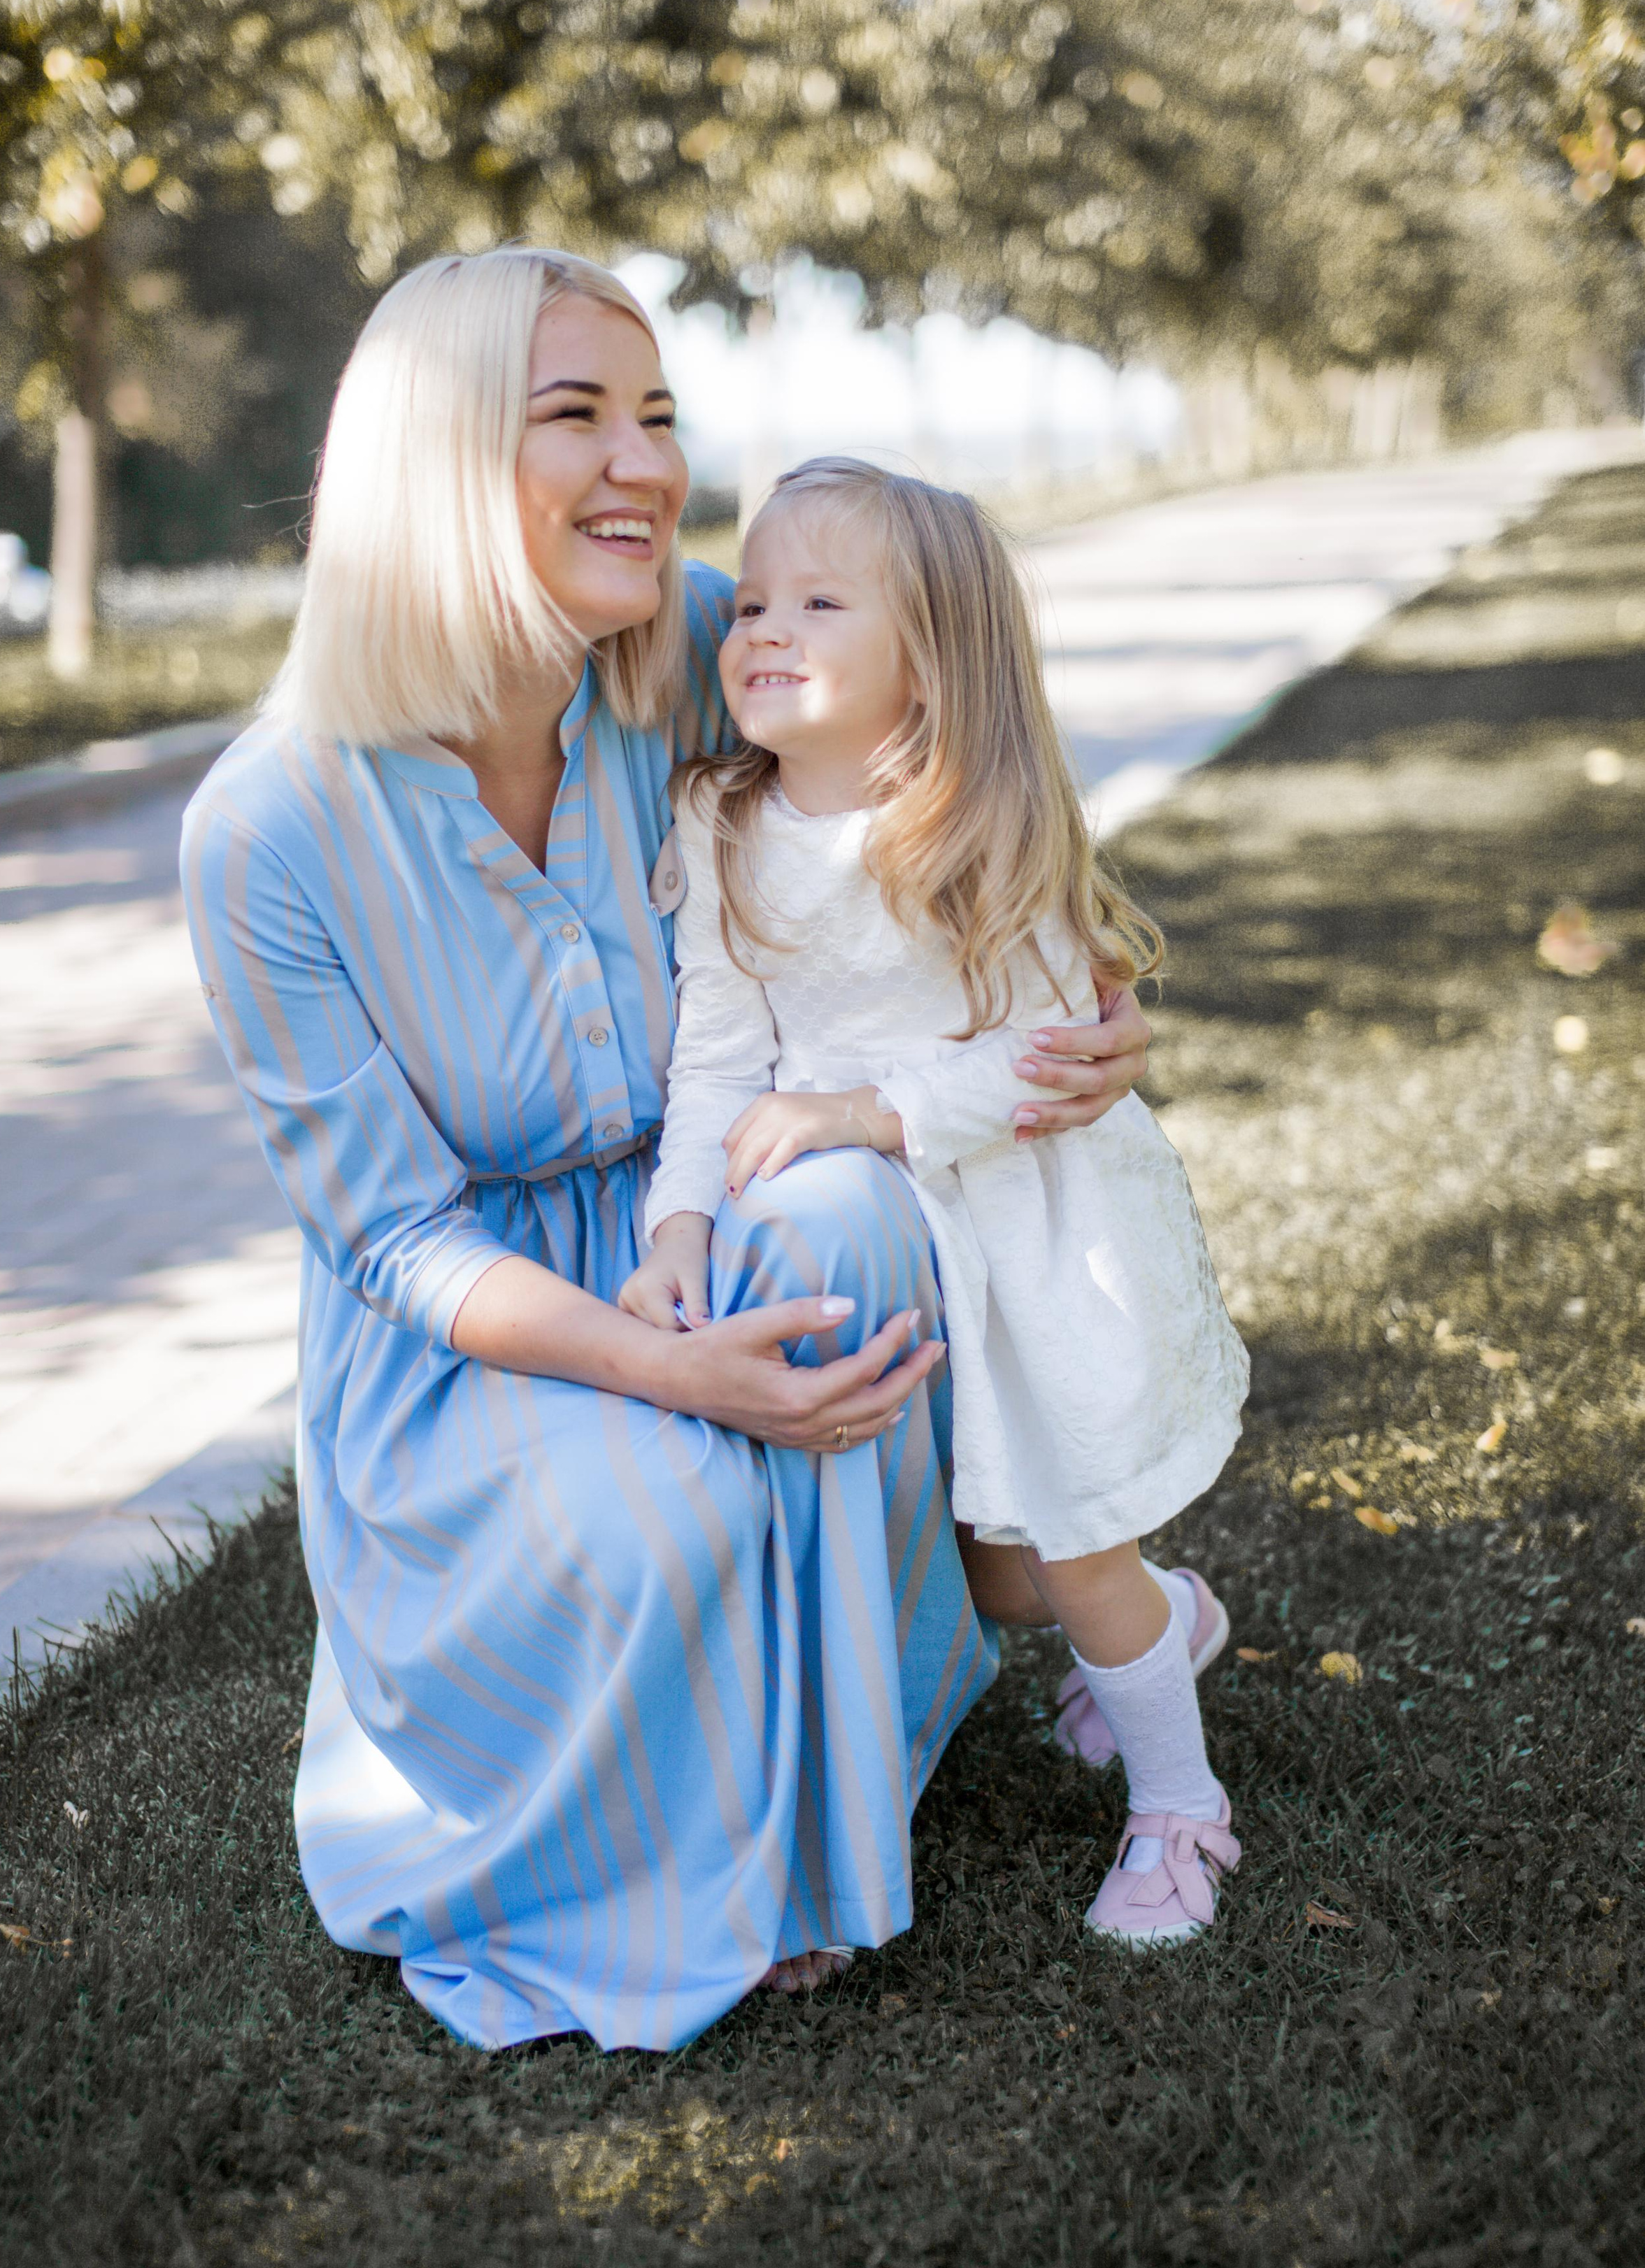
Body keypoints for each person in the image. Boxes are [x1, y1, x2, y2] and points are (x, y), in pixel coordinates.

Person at [180, 250, 1152, 2051]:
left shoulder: (709, 643)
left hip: (715, 1211)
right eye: (575, 417)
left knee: (856, 1214)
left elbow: (952, 743)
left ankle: (821, 1822)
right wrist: (673, 1370)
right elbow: (392, 1246)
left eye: (657, 418)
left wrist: (1069, 986)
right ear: (436, 457)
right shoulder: (266, 828)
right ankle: (706, 1832)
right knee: (676, 1516)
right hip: (472, 1340)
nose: (642, 463)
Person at [625, 457, 1249, 1948]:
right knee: (985, 1574)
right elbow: (713, 1061)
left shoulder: (975, 827)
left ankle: (1178, 1807)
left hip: (1023, 1233)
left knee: (1067, 1546)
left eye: (820, 602)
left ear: (931, 659)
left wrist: (856, 1114)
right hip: (895, 1253)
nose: (764, 627)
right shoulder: (722, 824)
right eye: (753, 597)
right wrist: (677, 1232)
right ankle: (1174, 1623)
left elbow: (1035, 1068)